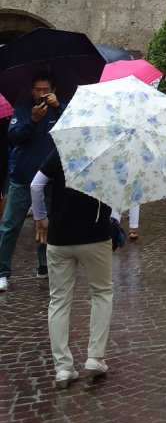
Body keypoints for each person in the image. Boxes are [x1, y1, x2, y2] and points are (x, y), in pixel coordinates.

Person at [30, 146, 113, 389]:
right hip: (95, 236)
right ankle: (95, 357)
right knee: (101, 293)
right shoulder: (109, 151)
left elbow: (36, 185)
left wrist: (40, 218)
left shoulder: (61, 148)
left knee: (59, 301)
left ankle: (63, 368)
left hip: (59, 237)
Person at [0, 73, 63, 292]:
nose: (41, 94)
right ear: (31, 90)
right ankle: (2, 271)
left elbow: (70, 131)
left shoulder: (59, 109)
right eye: (37, 90)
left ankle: (45, 267)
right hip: (23, 176)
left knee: (45, 223)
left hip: (47, 177)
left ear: (52, 89)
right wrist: (33, 122)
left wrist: (59, 108)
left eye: (45, 89)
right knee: (10, 225)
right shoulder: (23, 109)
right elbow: (14, 136)